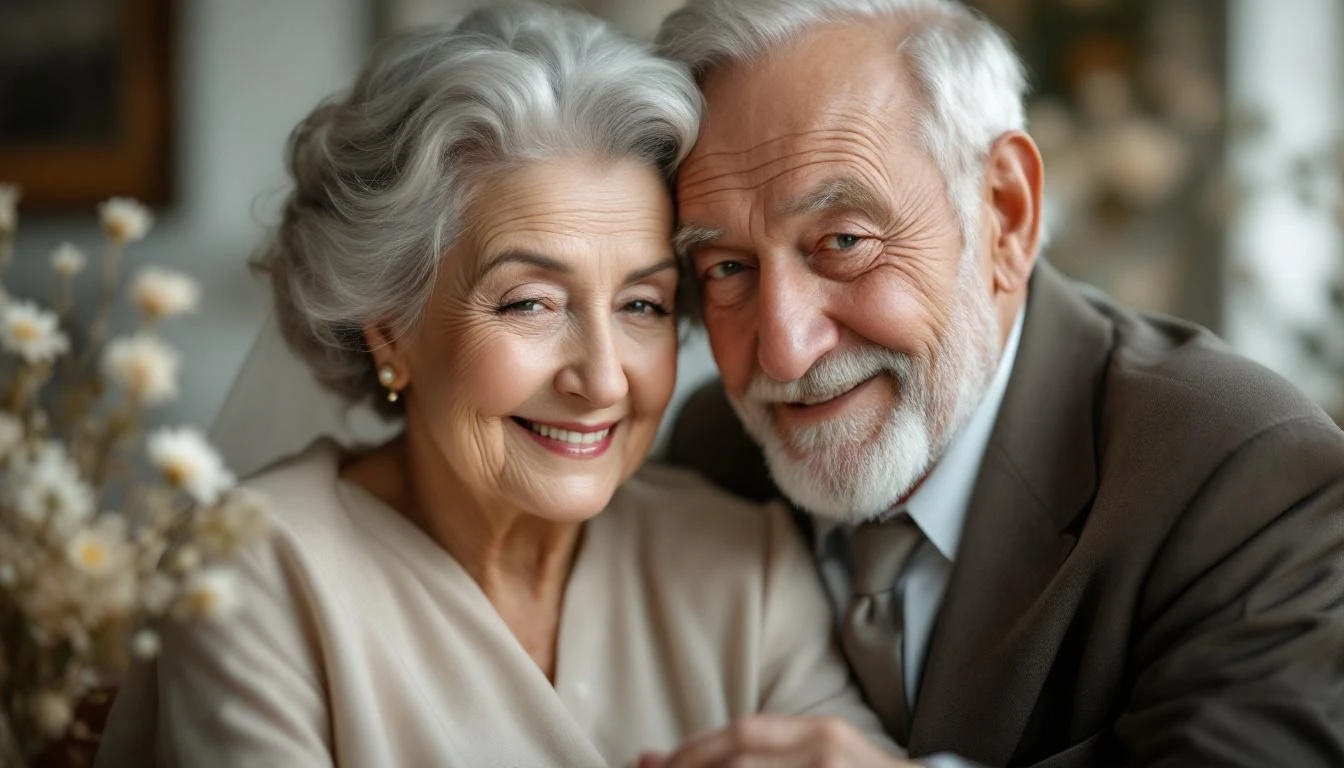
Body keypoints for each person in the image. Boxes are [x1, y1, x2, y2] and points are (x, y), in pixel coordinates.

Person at [93, 6, 898, 767]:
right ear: (390, 329)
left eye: (642, 305)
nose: (603, 377)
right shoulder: (253, 574)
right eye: (531, 303)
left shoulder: (746, 572)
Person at [650, 0, 1344, 766]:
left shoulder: (1246, 473)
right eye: (727, 269)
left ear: (1005, 214)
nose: (783, 353)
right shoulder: (714, 453)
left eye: (844, 241)